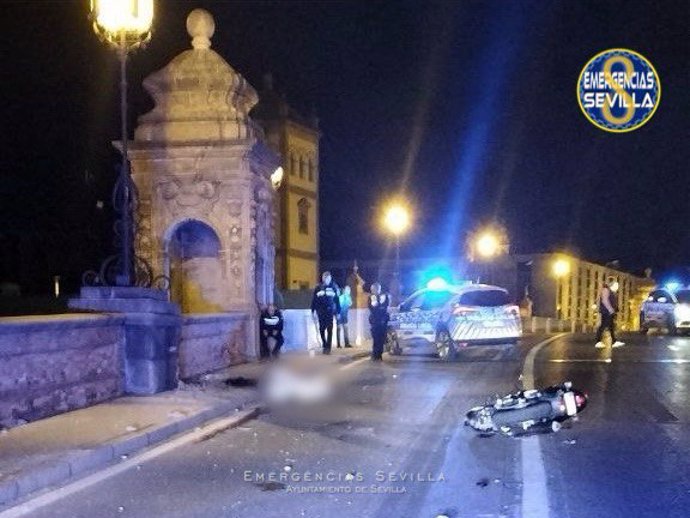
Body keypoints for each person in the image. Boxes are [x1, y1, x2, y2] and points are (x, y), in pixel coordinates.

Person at [311, 271, 341, 355]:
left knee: (330, 329)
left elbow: (337, 300)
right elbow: (314, 300)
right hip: (321, 311)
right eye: (325, 278)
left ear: (330, 278)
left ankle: (328, 348)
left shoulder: (334, 287)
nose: (327, 279)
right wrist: (313, 310)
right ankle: (324, 343)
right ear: (323, 278)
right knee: (321, 329)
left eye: (328, 278)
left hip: (330, 311)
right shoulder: (318, 287)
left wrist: (338, 312)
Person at [595, 276, 625, 348]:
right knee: (603, 326)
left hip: (608, 311)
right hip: (606, 312)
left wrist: (615, 308)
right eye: (615, 284)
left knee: (611, 327)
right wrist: (610, 309)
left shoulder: (610, 290)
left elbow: (611, 301)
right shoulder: (606, 289)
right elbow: (604, 300)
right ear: (611, 283)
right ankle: (598, 341)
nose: (616, 286)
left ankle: (614, 341)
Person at [368, 282, 390, 361]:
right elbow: (371, 307)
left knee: (381, 339)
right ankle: (375, 354)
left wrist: (378, 306)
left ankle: (378, 355)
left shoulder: (384, 296)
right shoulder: (372, 297)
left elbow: (385, 306)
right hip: (375, 321)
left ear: (378, 289)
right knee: (376, 338)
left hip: (382, 320)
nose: (372, 291)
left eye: (373, 289)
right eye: (372, 289)